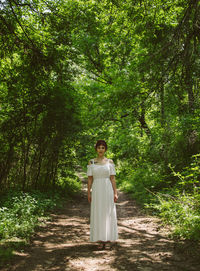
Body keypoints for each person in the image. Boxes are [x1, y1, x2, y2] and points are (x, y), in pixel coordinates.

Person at [87, 140, 118, 249]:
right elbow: (90, 179)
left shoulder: (110, 162)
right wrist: (88, 193)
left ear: (105, 149)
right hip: (96, 189)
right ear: (96, 149)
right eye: (99, 147)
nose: (101, 149)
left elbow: (113, 178)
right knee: (98, 212)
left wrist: (115, 192)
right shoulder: (92, 162)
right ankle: (100, 238)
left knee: (107, 211)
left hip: (107, 188)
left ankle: (107, 238)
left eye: (103, 148)